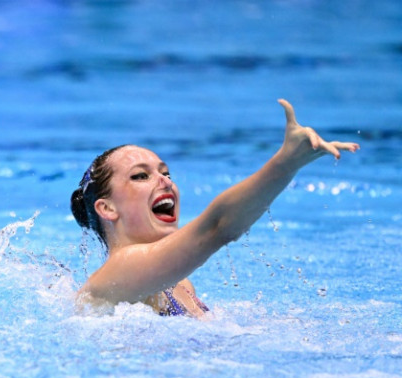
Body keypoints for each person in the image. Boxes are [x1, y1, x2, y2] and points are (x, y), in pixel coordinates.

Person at [70, 100, 359, 317]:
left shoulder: (178, 284)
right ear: (106, 208)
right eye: (140, 176)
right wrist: (286, 162)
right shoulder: (118, 272)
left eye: (166, 173)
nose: (165, 182)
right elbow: (216, 228)